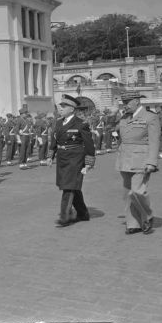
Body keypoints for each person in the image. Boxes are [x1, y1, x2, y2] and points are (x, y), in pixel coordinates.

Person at [115, 91, 160, 234]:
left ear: (136, 101)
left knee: (137, 191)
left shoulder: (150, 117)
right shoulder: (124, 117)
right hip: (124, 158)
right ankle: (133, 223)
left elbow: (154, 141)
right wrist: (112, 113)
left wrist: (152, 162)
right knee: (128, 192)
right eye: (123, 103)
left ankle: (147, 216)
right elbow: (111, 128)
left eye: (127, 103)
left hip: (141, 159)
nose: (125, 106)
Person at [47, 95, 96, 227]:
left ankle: (64, 216)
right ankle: (83, 213)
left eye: (64, 106)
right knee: (72, 186)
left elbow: (89, 145)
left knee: (68, 187)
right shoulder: (58, 122)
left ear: (72, 109)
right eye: (60, 106)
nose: (60, 109)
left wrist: (88, 163)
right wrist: (50, 156)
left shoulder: (81, 124)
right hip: (62, 158)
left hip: (75, 158)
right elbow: (54, 140)